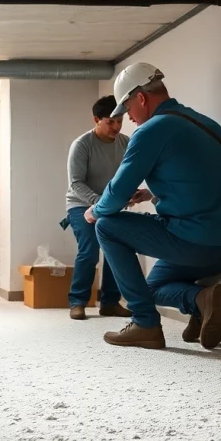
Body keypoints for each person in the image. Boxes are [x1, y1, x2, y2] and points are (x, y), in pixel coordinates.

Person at [84, 62, 221, 350]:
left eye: (127, 109)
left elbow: (117, 192)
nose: (128, 118)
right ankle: (201, 301)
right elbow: (202, 182)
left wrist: (94, 210)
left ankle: (145, 324)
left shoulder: (152, 130)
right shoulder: (205, 123)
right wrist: (152, 195)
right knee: (150, 288)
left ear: (142, 98)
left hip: (194, 242)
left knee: (107, 226)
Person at [62, 95, 133, 321]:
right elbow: (76, 183)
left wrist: (129, 194)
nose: (116, 127)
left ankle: (110, 303)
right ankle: (78, 302)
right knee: (90, 250)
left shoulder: (126, 142)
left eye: (119, 121)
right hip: (81, 204)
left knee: (116, 249)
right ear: (96, 120)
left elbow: (128, 175)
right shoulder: (82, 145)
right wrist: (100, 203)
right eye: (110, 122)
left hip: (110, 205)